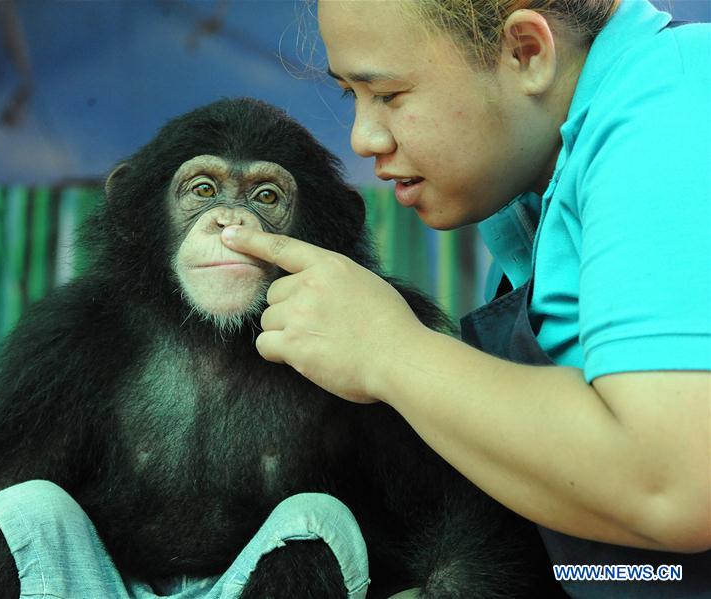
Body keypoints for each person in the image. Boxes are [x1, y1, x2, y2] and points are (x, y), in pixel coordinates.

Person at [220, 0, 710, 597]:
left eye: (390, 94)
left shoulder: (676, 104)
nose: (363, 138)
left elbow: (676, 481)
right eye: (352, 95)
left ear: (526, 52)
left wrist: (388, 351)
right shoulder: (526, 195)